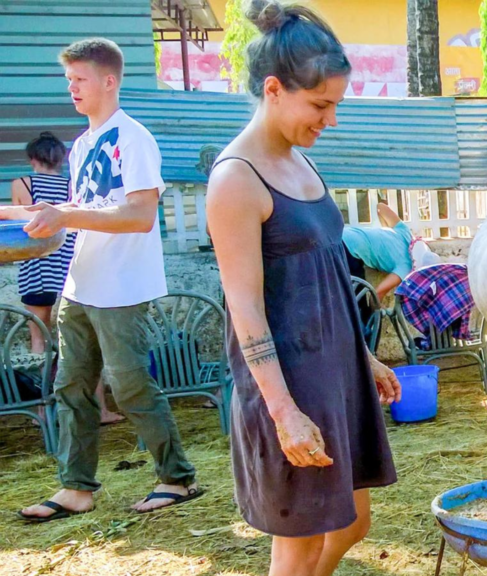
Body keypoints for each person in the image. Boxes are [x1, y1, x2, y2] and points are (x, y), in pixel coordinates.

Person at [204, 2, 400, 575]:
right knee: (299, 545)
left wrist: (363, 357)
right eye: (320, 105)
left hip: (336, 373)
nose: (329, 119)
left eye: (334, 104)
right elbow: (244, 305)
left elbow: (329, 276)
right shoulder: (235, 180)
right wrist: (284, 411)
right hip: (287, 385)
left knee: (355, 522)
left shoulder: (302, 165)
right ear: (274, 89)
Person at [9, 37, 200, 522]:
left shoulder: (133, 138)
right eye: (68, 79)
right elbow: (80, 211)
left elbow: (138, 215)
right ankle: (76, 488)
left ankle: (176, 478)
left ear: (109, 80)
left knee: (132, 386)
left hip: (122, 284)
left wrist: (65, 213)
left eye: (79, 79)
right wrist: (31, 213)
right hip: (80, 281)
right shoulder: (83, 144)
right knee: (70, 386)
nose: (70, 87)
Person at [10, 132, 124, 425]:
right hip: (69, 270)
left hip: (35, 270)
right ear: (60, 159)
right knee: (83, 342)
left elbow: (23, 226)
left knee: (39, 341)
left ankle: (40, 414)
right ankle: (100, 409)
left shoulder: (22, 184)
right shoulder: (72, 186)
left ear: (32, 158)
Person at [342, 202, 419, 301]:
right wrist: (376, 310)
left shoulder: (405, 232)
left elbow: (380, 207)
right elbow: (378, 293)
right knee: (358, 302)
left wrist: (384, 232)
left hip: (341, 235)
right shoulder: (406, 267)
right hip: (349, 251)